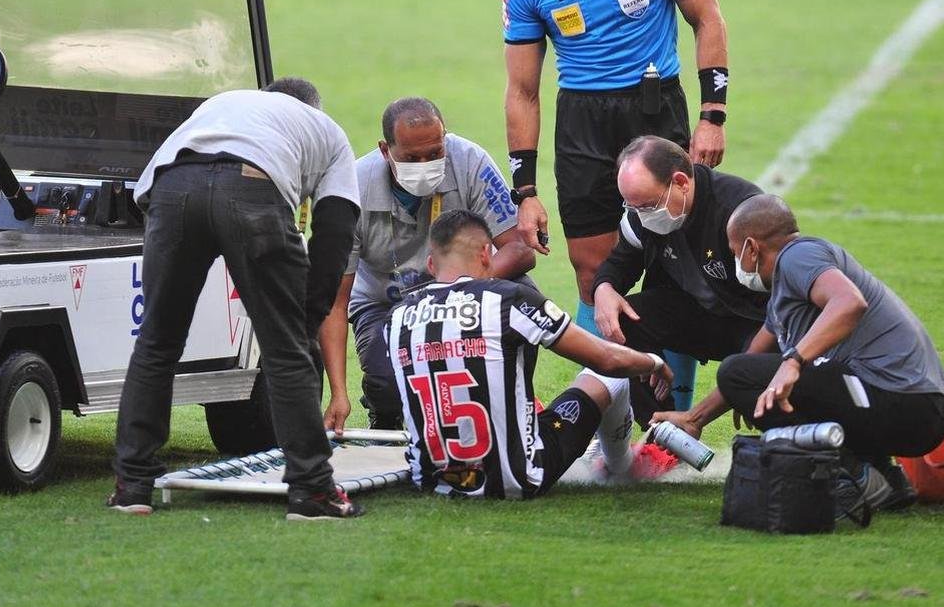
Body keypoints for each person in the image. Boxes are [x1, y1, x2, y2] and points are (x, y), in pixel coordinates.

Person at [494, 0, 732, 405]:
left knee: (671, 265)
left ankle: (669, 414)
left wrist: (712, 115)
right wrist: (524, 191)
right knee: (592, 271)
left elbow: (708, 17)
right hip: (582, 124)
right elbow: (522, 91)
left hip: (654, 112)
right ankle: (617, 419)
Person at [110, 77, 365, 521]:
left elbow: (146, 195)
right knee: (285, 351)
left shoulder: (225, 103)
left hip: (171, 188)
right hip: (253, 187)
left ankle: (133, 485)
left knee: (157, 342)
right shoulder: (326, 131)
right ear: (313, 110)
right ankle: (311, 491)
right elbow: (334, 234)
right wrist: (304, 322)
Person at [386, 209, 674, 499]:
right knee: (609, 379)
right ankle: (620, 468)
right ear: (487, 254)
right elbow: (607, 360)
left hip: (432, 481)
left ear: (431, 264)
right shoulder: (506, 298)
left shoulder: (396, 317)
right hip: (519, 478)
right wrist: (654, 362)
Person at [711, 194, 944, 508]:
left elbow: (850, 302)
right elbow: (753, 359)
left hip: (905, 403)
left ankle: (851, 475)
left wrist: (794, 362)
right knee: (743, 373)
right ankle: (885, 478)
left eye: (734, 252)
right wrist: (694, 418)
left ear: (751, 247)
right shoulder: (785, 288)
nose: (736, 262)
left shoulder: (797, 257)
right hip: (921, 406)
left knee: (738, 372)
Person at [319, 97, 535, 431]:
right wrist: (337, 393)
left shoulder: (470, 161)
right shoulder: (352, 188)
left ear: (445, 139)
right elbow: (334, 299)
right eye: (411, 158)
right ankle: (384, 405)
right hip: (384, 305)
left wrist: (456, 290)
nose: (425, 164)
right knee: (392, 387)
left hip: (464, 292)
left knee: (523, 298)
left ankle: (511, 396)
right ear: (384, 150)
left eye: (435, 153)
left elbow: (520, 251)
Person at [592, 136, 767, 425]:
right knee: (623, 322)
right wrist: (604, 288)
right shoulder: (640, 215)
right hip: (696, 316)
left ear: (681, 182)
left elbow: (785, 305)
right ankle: (660, 433)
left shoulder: (741, 212)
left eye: (648, 205)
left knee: (761, 384)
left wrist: (751, 371)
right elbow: (619, 263)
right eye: (632, 207)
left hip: (756, 324)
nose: (641, 216)